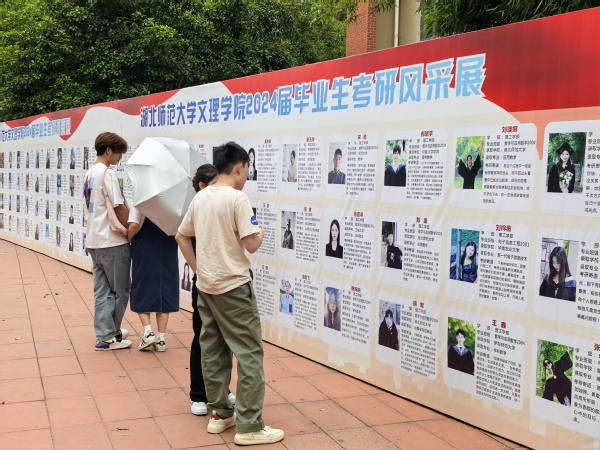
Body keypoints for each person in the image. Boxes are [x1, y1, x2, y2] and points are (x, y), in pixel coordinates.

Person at [176, 142, 284, 445]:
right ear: (239, 167)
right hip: (234, 287)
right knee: (249, 354)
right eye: (247, 168)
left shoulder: (200, 197)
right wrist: (260, 231)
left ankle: (220, 414)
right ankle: (250, 426)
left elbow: (181, 236)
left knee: (213, 351)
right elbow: (252, 244)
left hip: (206, 288)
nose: (247, 175)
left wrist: (198, 270)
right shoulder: (238, 198)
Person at [185, 164, 236, 417]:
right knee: (202, 338)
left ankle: (222, 391)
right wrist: (197, 271)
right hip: (204, 284)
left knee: (224, 340)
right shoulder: (196, 208)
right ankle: (198, 394)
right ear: (202, 186)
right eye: (214, 183)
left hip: (225, 284)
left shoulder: (221, 206)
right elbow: (182, 238)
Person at [83, 132, 132, 351]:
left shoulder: (89, 173)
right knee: (121, 290)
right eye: (119, 152)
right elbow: (119, 207)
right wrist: (131, 229)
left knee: (102, 291)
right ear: (109, 150)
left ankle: (106, 333)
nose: (120, 157)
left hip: (94, 240)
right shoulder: (108, 173)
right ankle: (109, 335)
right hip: (112, 241)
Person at [127, 205, 178, 352]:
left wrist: (129, 238)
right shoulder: (174, 202)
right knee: (165, 289)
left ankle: (148, 332)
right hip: (168, 246)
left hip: (145, 246)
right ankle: (161, 339)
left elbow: (134, 225)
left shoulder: (142, 200)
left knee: (142, 286)